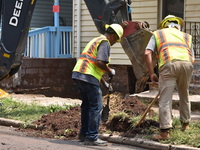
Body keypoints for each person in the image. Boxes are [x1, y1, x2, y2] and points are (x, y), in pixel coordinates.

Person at [72, 23, 124, 146]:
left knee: (86, 106)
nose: (115, 42)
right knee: (96, 107)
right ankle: (92, 137)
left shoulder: (96, 40)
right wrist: (109, 70)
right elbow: (100, 62)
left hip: (79, 74)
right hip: (88, 76)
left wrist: (104, 82)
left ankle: (83, 134)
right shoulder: (105, 42)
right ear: (113, 35)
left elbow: (92, 64)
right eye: (116, 40)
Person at [144, 15, 195, 140]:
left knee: (165, 99)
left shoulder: (158, 34)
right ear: (177, 25)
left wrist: (151, 73)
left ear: (165, 25)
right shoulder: (186, 36)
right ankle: (185, 124)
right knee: (184, 94)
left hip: (168, 65)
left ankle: (165, 132)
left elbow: (147, 53)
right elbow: (192, 58)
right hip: (187, 65)